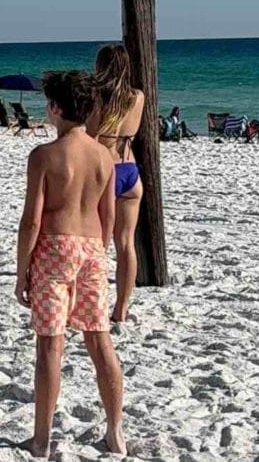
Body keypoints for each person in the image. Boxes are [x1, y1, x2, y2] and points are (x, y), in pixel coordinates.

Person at [15, 70, 125, 458]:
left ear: (56, 107)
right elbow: (108, 216)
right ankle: (115, 431)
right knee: (99, 339)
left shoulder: (44, 155)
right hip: (92, 247)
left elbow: (31, 220)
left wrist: (21, 271)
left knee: (50, 344)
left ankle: (42, 439)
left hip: (53, 249)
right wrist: (101, 252)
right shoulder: (104, 157)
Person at [86, 43, 145, 324]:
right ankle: (121, 309)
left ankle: (92, 303)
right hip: (130, 170)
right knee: (126, 244)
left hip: (106, 171)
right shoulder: (138, 97)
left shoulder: (99, 97)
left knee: (97, 244)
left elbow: (91, 137)